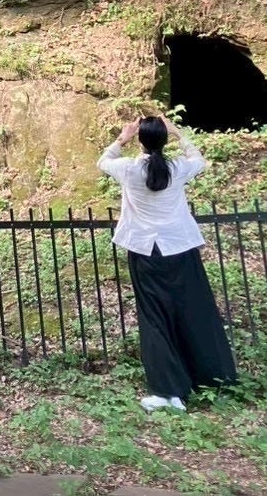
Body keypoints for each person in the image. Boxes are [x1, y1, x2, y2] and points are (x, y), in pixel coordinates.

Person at [99, 115, 237, 412]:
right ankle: (208, 377)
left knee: (155, 318)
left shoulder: (129, 169)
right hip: (180, 248)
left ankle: (168, 391)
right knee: (192, 310)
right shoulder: (177, 168)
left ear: (140, 140)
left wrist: (123, 137)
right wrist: (178, 134)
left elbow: (104, 161)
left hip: (146, 252)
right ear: (164, 140)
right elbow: (198, 159)